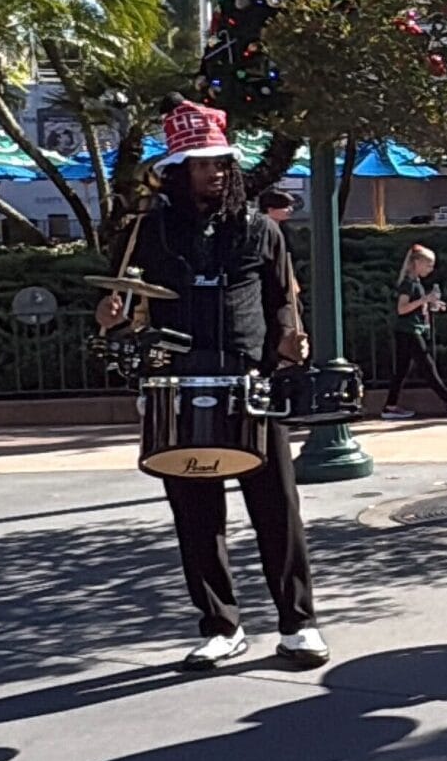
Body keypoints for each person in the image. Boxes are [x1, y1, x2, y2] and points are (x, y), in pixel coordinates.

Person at [94, 101, 326, 672]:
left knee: (278, 510)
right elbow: (124, 310)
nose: (214, 172)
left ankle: (298, 625)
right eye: (200, 164)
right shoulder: (148, 233)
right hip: (176, 380)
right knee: (196, 517)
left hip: (251, 382)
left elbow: (282, 302)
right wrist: (110, 316)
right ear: (177, 171)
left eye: (221, 162)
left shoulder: (262, 230)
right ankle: (221, 625)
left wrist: (294, 340)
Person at [384, 244, 447, 419]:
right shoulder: (408, 284)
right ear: (417, 262)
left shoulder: (415, 283)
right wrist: (425, 300)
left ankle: (390, 406)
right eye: (428, 265)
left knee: (402, 369)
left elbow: (413, 306)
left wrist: (430, 304)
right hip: (409, 330)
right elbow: (402, 309)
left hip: (408, 329)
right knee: (426, 365)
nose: (431, 269)